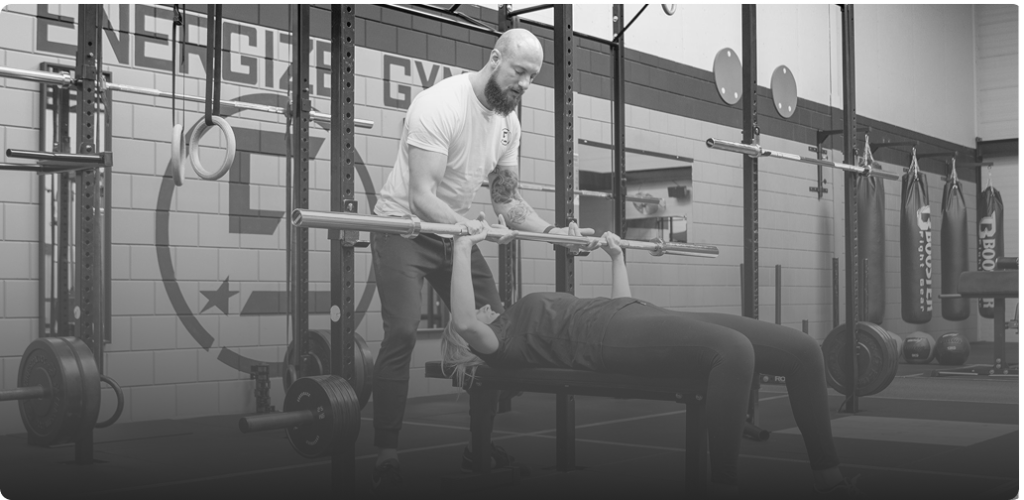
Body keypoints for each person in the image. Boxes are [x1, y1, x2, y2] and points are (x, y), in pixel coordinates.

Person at [441, 220, 866, 499]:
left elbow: (619, 303)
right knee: (734, 351)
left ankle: (828, 478)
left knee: (803, 351)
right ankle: (723, 486)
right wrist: (462, 246)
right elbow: (463, 318)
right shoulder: (500, 344)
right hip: (608, 340)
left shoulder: (509, 322)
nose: (482, 307)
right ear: (466, 343)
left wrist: (617, 258)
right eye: (476, 313)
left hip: (632, 315)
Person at [370, 28, 594, 492]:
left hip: (455, 234)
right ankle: (386, 453)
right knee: (403, 331)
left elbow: (506, 202)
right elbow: (421, 195)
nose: (524, 84)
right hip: (403, 228)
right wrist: (469, 230)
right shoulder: (441, 104)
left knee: (494, 333)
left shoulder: (509, 124)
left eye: (532, 77)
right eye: (519, 72)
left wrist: (553, 233)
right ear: (495, 59)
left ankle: (479, 447)